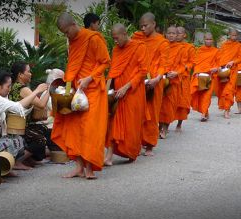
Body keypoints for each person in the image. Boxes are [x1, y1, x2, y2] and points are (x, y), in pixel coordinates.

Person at [52, 12, 110, 179]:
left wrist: (90, 77)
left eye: (66, 32)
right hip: (76, 89)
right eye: (63, 33)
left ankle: (90, 167)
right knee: (72, 128)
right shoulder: (72, 41)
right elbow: (73, 64)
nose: (66, 35)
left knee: (91, 130)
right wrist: (68, 85)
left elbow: (105, 62)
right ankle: (79, 167)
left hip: (92, 89)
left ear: (73, 24)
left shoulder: (93, 38)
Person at [0, 69, 48, 170]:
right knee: (14, 141)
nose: (10, 89)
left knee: (18, 139)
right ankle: (5, 166)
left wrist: (31, 102)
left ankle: (7, 166)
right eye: (8, 86)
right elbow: (18, 107)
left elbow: (18, 111)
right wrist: (36, 91)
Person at [104, 24, 147, 165]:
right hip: (118, 93)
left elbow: (142, 71)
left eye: (117, 38)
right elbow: (113, 71)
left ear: (124, 34)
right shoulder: (116, 50)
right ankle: (109, 156)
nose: (115, 41)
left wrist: (127, 87)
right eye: (113, 39)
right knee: (113, 122)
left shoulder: (139, 47)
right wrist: (106, 90)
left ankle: (131, 151)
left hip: (134, 92)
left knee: (132, 124)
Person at [132, 12, 170, 156]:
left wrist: (158, 78)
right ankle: (137, 141)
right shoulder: (138, 38)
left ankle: (149, 145)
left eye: (145, 25)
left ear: (153, 24)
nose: (142, 28)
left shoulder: (162, 42)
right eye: (141, 26)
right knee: (138, 112)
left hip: (155, 81)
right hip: (139, 79)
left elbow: (164, 63)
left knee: (152, 114)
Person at [9, 61, 50, 166]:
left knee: (43, 129)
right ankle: (18, 162)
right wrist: (50, 89)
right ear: (20, 75)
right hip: (18, 127)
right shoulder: (23, 89)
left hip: (13, 124)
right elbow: (41, 104)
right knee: (40, 140)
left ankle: (28, 158)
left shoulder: (13, 86)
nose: (31, 74)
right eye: (29, 71)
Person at [159, 26, 187, 139]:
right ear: (165, 34)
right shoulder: (161, 46)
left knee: (169, 106)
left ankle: (165, 129)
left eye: (173, 33)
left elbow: (183, 65)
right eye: (169, 33)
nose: (171, 35)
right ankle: (159, 127)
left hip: (173, 80)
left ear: (177, 35)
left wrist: (176, 72)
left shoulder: (181, 48)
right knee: (159, 106)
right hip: (161, 78)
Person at [190, 32, 219, 121]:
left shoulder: (216, 51)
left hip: (210, 76)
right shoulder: (199, 50)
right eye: (207, 39)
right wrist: (197, 72)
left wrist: (216, 68)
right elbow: (196, 63)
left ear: (212, 40)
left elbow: (219, 63)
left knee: (207, 95)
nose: (208, 41)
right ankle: (205, 111)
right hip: (200, 75)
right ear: (204, 40)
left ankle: (203, 114)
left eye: (210, 39)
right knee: (198, 95)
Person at [214, 29, 241, 119]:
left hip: (233, 71)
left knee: (229, 91)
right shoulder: (224, 45)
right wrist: (219, 66)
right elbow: (219, 56)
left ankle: (227, 110)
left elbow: (240, 58)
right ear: (229, 35)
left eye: (235, 35)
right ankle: (225, 108)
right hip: (223, 71)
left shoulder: (238, 46)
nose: (234, 37)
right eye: (232, 35)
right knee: (222, 90)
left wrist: (233, 61)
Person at [174, 26, 195, 131]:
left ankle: (179, 124)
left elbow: (192, 62)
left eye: (179, 33)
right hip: (172, 76)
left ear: (184, 35)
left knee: (182, 101)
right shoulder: (170, 45)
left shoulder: (189, 47)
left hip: (183, 77)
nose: (177, 35)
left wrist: (185, 67)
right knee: (169, 101)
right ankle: (164, 124)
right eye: (175, 33)